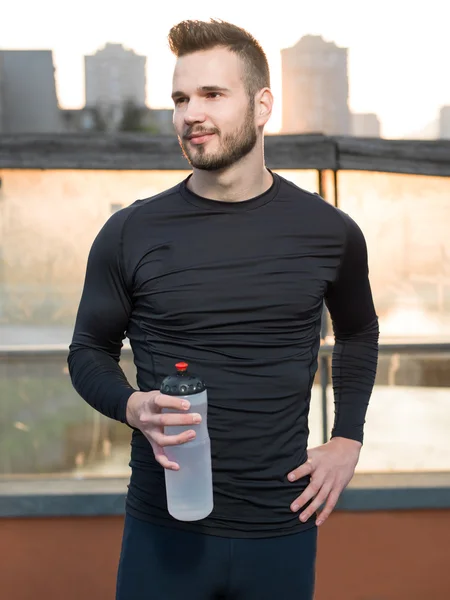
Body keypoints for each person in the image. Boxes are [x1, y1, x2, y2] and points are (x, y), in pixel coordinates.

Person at [68, 18, 379, 600]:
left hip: (282, 526)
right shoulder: (129, 231)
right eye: (180, 98)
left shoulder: (330, 232)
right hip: (164, 530)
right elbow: (88, 350)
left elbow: (359, 331)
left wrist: (348, 439)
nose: (190, 113)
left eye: (212, 94)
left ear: (263, 105)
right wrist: (130, 403)